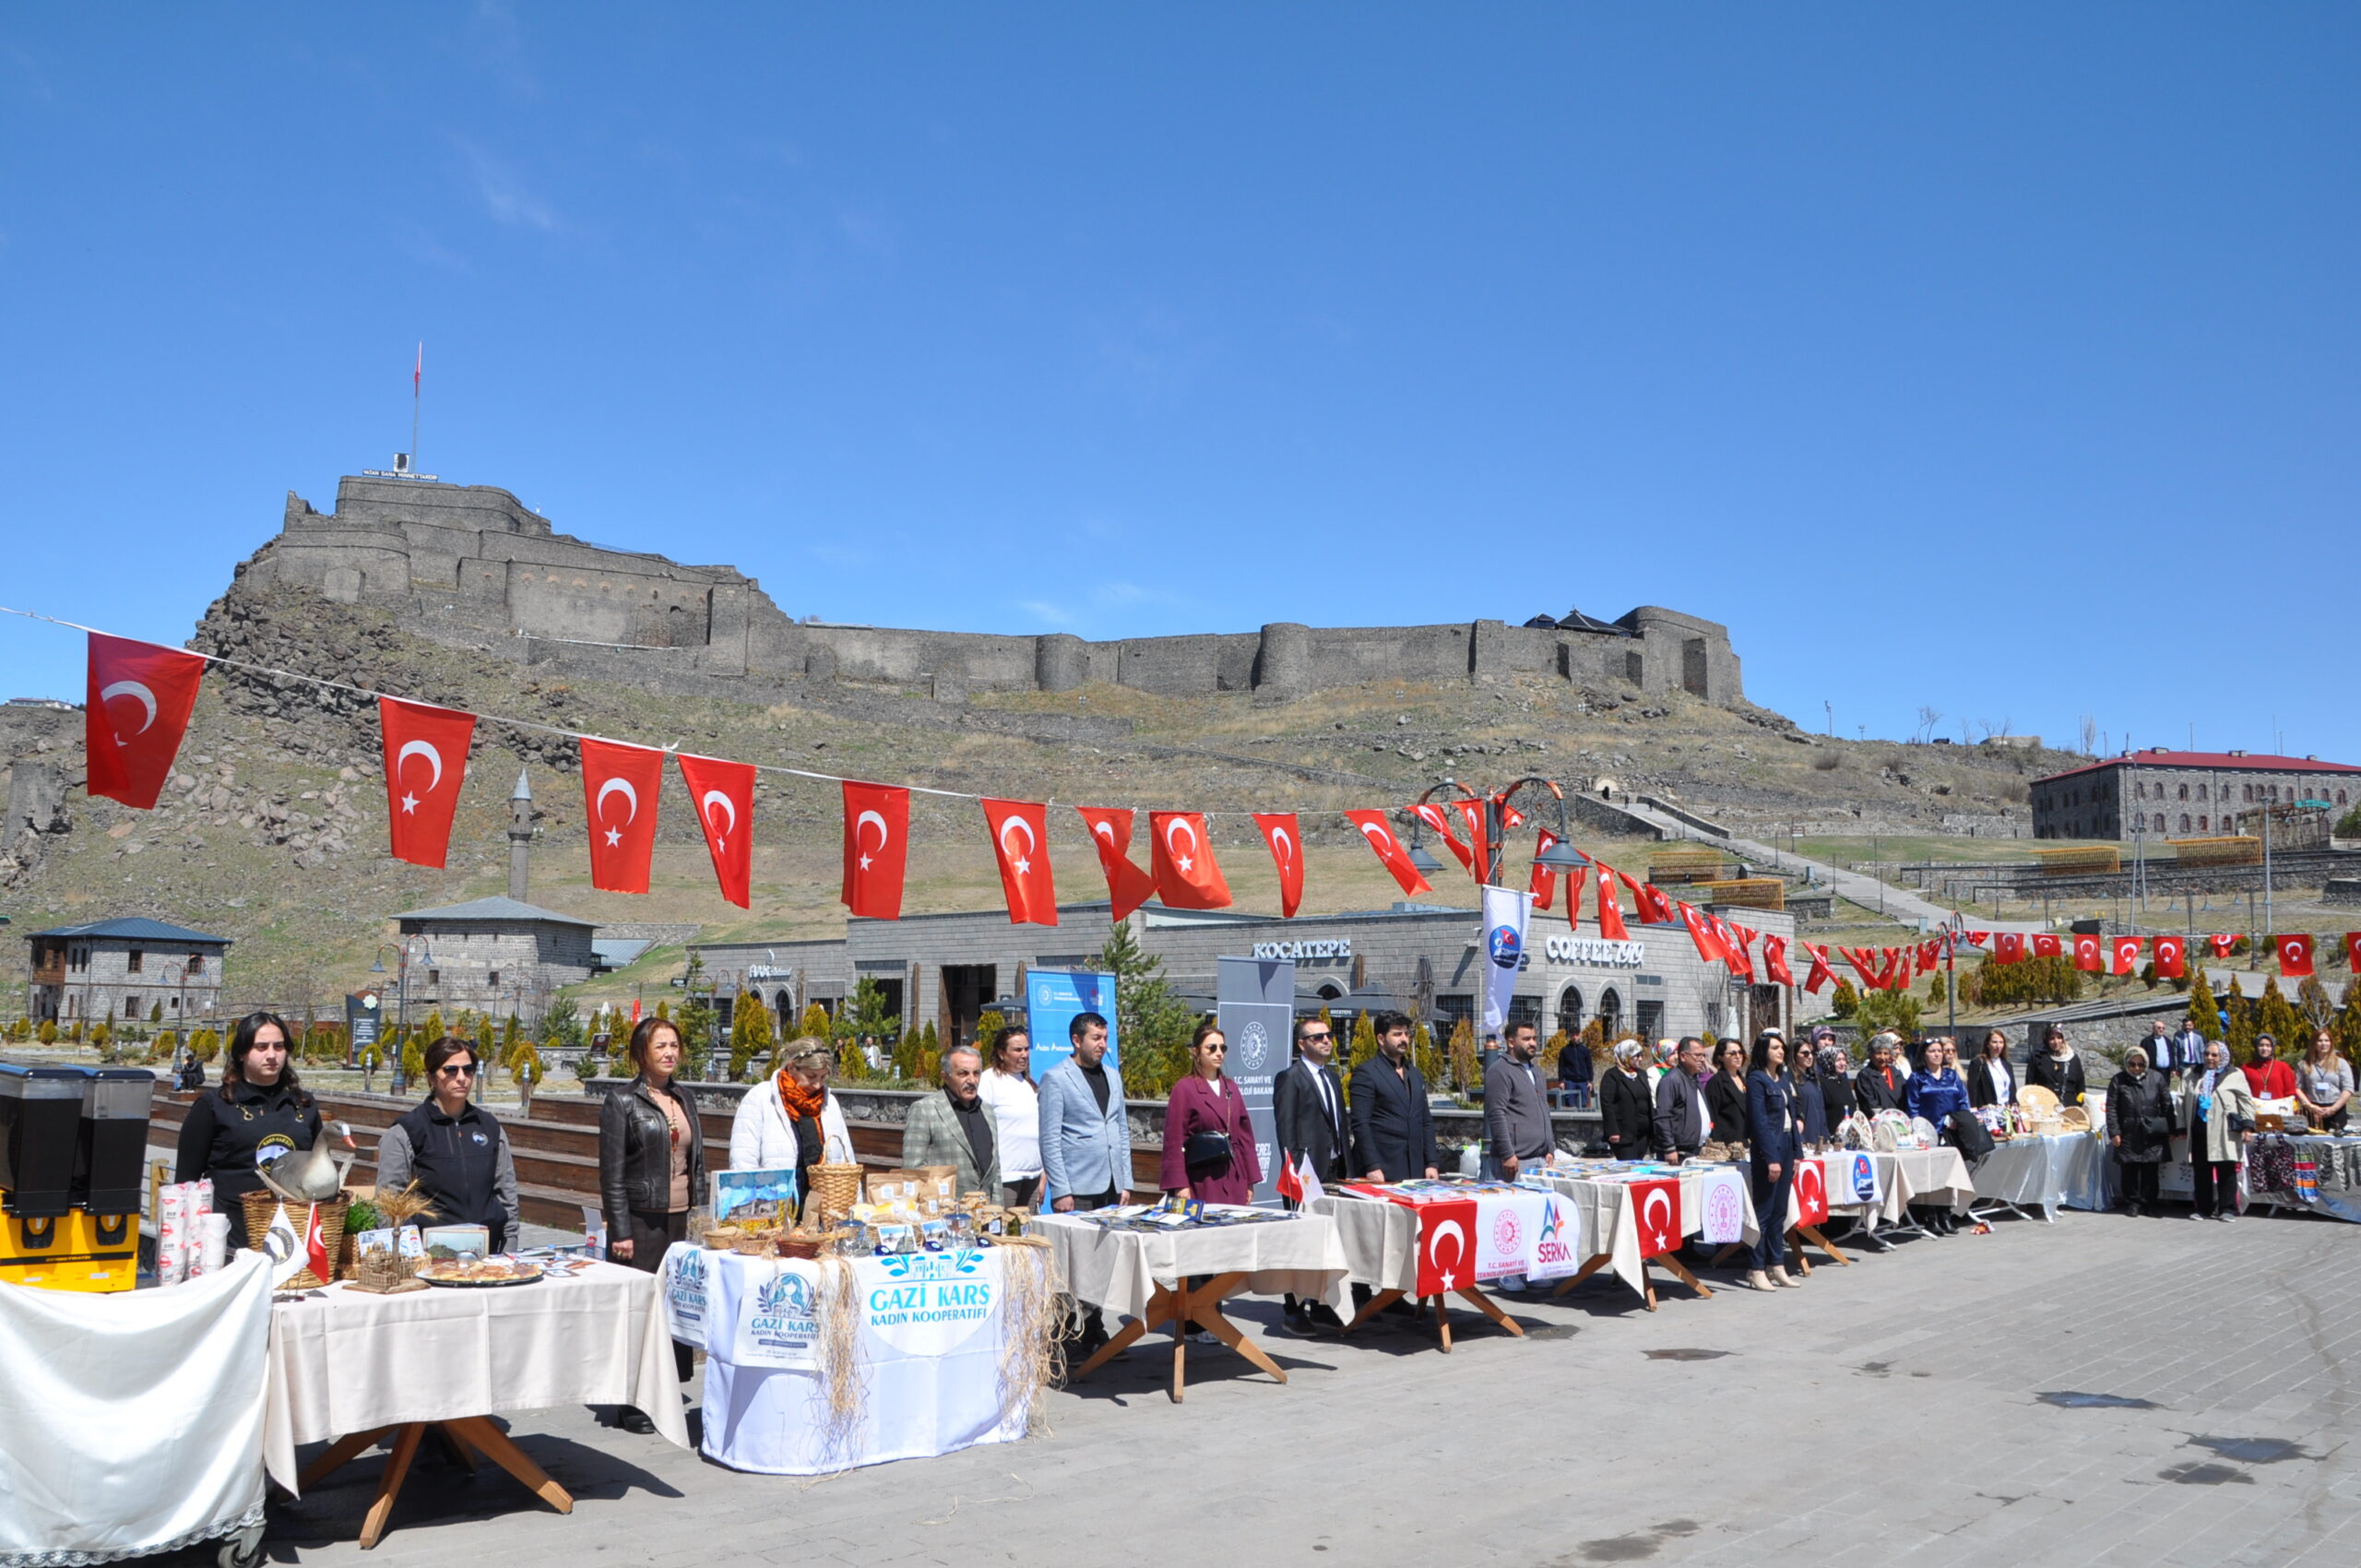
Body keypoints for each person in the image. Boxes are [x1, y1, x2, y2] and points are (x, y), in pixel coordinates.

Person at [599, 1016, 704, 1433]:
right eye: (660, 1046)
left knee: (671, 1308)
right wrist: (620, 1229)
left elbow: (692, 1161)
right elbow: (612, 1173)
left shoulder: (684, 1097)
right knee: (639, 1310)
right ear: (641, 1052)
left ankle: (663, 1391)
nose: (669, 1053)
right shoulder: (622, 1102)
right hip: (640, 1220)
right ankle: (630, 1402)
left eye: (674, 1045)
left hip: (678, 1216)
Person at [174, 1011, 322, 1248]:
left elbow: (317, 1171)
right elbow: (185, 1183)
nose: (272, 1055)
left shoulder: (305, 1105)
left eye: (279, 1046)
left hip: (291, 1234)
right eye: (261, 1047)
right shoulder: (214, 1106)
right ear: (242, 1053)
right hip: (229, 1238)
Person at [1036, 1011, 1130, 1353]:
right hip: (1076, 1188)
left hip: (1109, 1184)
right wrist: (1061, 1190)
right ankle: (1063, 1331)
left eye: (1105, 1038)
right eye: (1096, 1038)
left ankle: (1094, 1324)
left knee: (1102, 1260)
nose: (1103, 1045)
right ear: (1077, 1040)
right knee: (1071, 1262)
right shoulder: (1056, 1078)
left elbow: (1120, 1130)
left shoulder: (1113, 1077)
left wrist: (1125, 1180)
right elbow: (1050, 1138)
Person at [376, 1036, 520, 1250]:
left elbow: (507, 1193)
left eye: (468, 1070)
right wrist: (409, 1258)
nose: (461, 1078)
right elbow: (389, 1204)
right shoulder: (406, 1132)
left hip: (489, 1257)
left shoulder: (489, 1126)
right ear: (432, 1078)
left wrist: (510, 1247)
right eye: (451, 1070)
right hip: (431, 1257)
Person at [1275, 1014, 1349, 1328]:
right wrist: (1297, 1172)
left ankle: (1321, 1304)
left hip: (1333, 1167)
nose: (1326, 1041)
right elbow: (1286, 1130)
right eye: (1317, 1037)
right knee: (1300, 1241)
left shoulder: (1331, 1077)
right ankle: (1293, 1308)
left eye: (1328, 1035)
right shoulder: (1291, 1077)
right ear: (1302, 1044)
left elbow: (1338, 1125)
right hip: (1304, 1173)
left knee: (1328, 1241)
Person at [730, 1037, 854, 1199]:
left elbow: (848, 1163)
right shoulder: (760, 1099)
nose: (817, 1084)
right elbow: (743, 1163)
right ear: (791, 1067)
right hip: (773, 1210)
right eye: (811, 1076)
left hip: (823, 1212)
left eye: (823, 1077)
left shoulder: (829, 1103)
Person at [1161, 1023, 1262, 1203]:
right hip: (1201, 1178)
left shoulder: (1231, 1087)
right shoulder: (1185, 1088)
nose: (1219, 1053)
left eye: (1223, 1048)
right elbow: (1174, 1140)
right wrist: (1180, 1185)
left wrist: (1250, 1180)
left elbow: (1246, 1137)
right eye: (1211, 1048)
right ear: (1196, 1051)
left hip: (1233, 1175)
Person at [1348, 1011, 1440, 1182]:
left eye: (1406, 1033)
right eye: (1397, 1034)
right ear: (1381, 1039)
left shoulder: (1415, 1073)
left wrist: (1432, 1162)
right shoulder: (1366, 1073)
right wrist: (1372, 1165)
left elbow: (1425, 1120)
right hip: (1383, 1166)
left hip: (1415, 1166)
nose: (1404, 1039)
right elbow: (1361, 1123)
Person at [1743, 1031, 1802, 1291]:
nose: (1781, 1051)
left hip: (1788, 1144)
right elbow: (1759, 1122)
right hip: (1770, 1149)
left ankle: (1777, 1264)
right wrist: (1771, 1158)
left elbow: (1794, 1115)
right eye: (1775, 1047)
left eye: (1782, 1047)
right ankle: (1756, 1268)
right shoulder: (1757, 1079)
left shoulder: (1784, 1078)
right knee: (1764, 1212)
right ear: (1763, 1050)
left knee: (1780, 1211)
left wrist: (1798, 1153)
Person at [901, 1045, 1002, 1197]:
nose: (972, 1080)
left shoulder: (987, 1111)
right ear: (945, 1076)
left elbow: (995, 1172)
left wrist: (997, 1213)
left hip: (985, 1213)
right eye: (963, 1074)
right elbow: (912, 1171)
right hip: (945, 1213)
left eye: (976, 1073)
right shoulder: (925, 1110)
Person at [2183, 1041, 2256, 1223]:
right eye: (2207, 1054)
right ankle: (2203, 1209)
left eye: (2214, 1055)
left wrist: (2247, 1126)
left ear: (2222, 1056)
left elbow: (2246, 1101)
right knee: (2202, 1171)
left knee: (2226, 1170)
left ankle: (2227, 1208)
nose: (2209, 1058)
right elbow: (2181, 1098)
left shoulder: (2234, 1074)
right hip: (2200, 1129)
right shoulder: (2193, 1073)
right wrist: (2180, 1126)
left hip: (2224, 1130)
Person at [2105, 1045, 2176, 1218]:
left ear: (2146, 1064)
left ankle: (2149, 1203)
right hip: (2128, 1131)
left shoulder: (2157, 1078)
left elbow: (2167, 1105)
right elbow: (2112, 1107)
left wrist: (2172, 1129)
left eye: (2140, 1065)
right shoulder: (2118, 1080)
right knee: (2129, 1170)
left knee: (2150, 1171)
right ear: (2126, 1064)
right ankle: (2133, 1203)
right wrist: (2114, 1132)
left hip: (2152, 1131)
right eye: (2132, 1064)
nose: (2136, 1068)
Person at [978, 1026, 1043, 1208]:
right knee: (1004, 1231)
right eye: (1017, 1050)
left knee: (1027, 1232)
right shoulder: (988, 1081)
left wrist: (1043, 1173)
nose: (1024, 1054)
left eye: (1026, 1049)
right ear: (1001, 1053)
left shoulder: (1029, 1084)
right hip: (1005, 1176)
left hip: (1033, 1174)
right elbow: (981, 1128)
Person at [1486, 1020, 1555, 1178]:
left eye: (1534, 1038)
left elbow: (1545, 1111)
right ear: (1511, 1042)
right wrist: (1508, 1154)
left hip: (1540, 1159)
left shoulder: (1537, 1071)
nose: (1533, 1043)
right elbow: (1496, 1114)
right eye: (1526, 1039)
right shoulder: (1500, 1071)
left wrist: (1550, 1148)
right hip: (1515, 1162)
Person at [1653, 1035, 1709, 1163]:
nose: (1702, 1060)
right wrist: (1669, 1147)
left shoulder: (1695, 1079)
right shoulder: (1671, 1080)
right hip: (1678, 1153)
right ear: (1683, 1056)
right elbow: (1663, 1116)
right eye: (1697, 1055)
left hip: (1697, 1151)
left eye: (1703, 1056)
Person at [1597, 1039, 1654, 1162]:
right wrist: (1613, 1131)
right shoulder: (1612, 1076)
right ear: (1625, 1056)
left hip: (1643, 1133)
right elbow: (1607, 1104)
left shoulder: (1641, 1074)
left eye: (1641, 1055)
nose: (1640, 1059)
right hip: (1624, 1134)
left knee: (1639, 1166)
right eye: (1636, 1056)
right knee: (1628, 1166)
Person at [1906, 1036, 1972, 1134]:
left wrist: (1960, 1120)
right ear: (1924, 1054)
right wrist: (1918, 1129)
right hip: (1929, 1132)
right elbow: (1913, 1107)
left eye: (1939, 1051)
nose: (1937, 1054)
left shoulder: (1952, 1075)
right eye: (1932, 1051)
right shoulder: (1916, 1077)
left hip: (1954, 1129)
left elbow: (1963, 1100)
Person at [2296, 1028, 2354, 1133]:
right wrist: (2310, 1106)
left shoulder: (2341, 1063)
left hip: (2336, 1110)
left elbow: (2348, 1089)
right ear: (2314, 1043)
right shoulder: (2304, 1064)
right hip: (2312, 1111)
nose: (2324, 1044)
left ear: (2331, 1043)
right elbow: (2297, 1088)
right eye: (2320, 1040)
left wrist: (2333, 1109)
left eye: (2327, 1040)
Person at [1702, 1039, 1750, 1162]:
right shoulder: (1716, 1082)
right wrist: (1718, 1145)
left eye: (1740, 1052)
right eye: (1732, 1053)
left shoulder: (1744, 1080)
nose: (1738, 1056)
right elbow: (1712, 1116)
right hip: (1727, 1146)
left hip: (1745, 1143)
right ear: (1721, 1057)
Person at [2026, 1027, 2087, 1107]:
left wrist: (2080, 1104)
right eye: (2052, 1038)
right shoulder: (2038, 1057)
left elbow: (2080, 1085)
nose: (2056, 1042)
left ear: (2063, 1039)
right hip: (2045, 1105)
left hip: (2069, 1107)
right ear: (2046, 1040)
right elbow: (2029, 1086)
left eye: (2059, 1038)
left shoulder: (2073, 1058)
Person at [1855, 1033, 1910, 1115]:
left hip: (1899, 1120)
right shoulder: (1864, 1075)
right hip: (1879, 1121)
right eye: (1878, 1053)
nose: (1882, 1057)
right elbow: (1869, 1103)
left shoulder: (1896, 1073)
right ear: (1871, 1054)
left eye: (1886, 1053)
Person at [1966, 1030, 2017, 1110]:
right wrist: (1974, 1108)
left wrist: (2013, 1105)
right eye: (1994, 1042)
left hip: (2006, 1110)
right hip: (1987, 1111)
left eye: (2001, 1042)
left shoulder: (2007, 1065)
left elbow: (2012, 1090)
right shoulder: (1978, 1063)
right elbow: (1972, 1089)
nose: (1998, 1045)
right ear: (1987, 1044)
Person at [2240, 1034, 2298, 1103]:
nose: (2264, 1048)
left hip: (2279, 1110)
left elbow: (2291, 1093)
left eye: (2268, 1046)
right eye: (2261, 1045)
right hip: (2254, 1110)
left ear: (2272, 1048)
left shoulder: (2283, 1067)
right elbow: (2241, 1092)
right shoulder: (2246, 1068)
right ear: (2256, 1047)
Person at [1817, 1042, 1857, 1131]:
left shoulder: (1844, 1080)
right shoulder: (1821, 1083)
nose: (1842, 1063)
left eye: (1844, 1059)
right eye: (1838, 1060)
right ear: (1828, 1060)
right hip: (1831, 1134)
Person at [1555, 1029, 1595, 1109]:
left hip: (1583, 1081)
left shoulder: (1585, 1050)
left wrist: (1590, 1081)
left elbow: (1589, 1066)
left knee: (1584, 1104)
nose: (1575, 1037)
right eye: (1573, 1035)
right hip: (1570, 1081)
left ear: (1580, 1035)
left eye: (1576, 1035)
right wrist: (1561, 1081)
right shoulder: (1564, 1051)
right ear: (1570, 1036)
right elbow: (1561, 1066)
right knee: (1570, 1104)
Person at [2169, 1015, 2208, 1081]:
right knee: (2184, 1084)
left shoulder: (2198, 1038)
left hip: (2197, 1065)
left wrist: (2204, 1065)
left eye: (2189, 1025)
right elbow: (2175, 1054)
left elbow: (2202, 1052)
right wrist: (2175, 1068)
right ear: (2182, 1026)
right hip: (2184, 1065)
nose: (2187, 1027)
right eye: (2185, 1025)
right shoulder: (2178, 1038)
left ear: (2193, 1025)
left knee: (2196, 1084)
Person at [516, 1053, 536, 1118]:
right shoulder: (525, 1068)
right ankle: (524, 1104)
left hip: (526, 1078)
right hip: (525, 1078)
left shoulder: (527, 1068)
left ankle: (525, 1104)